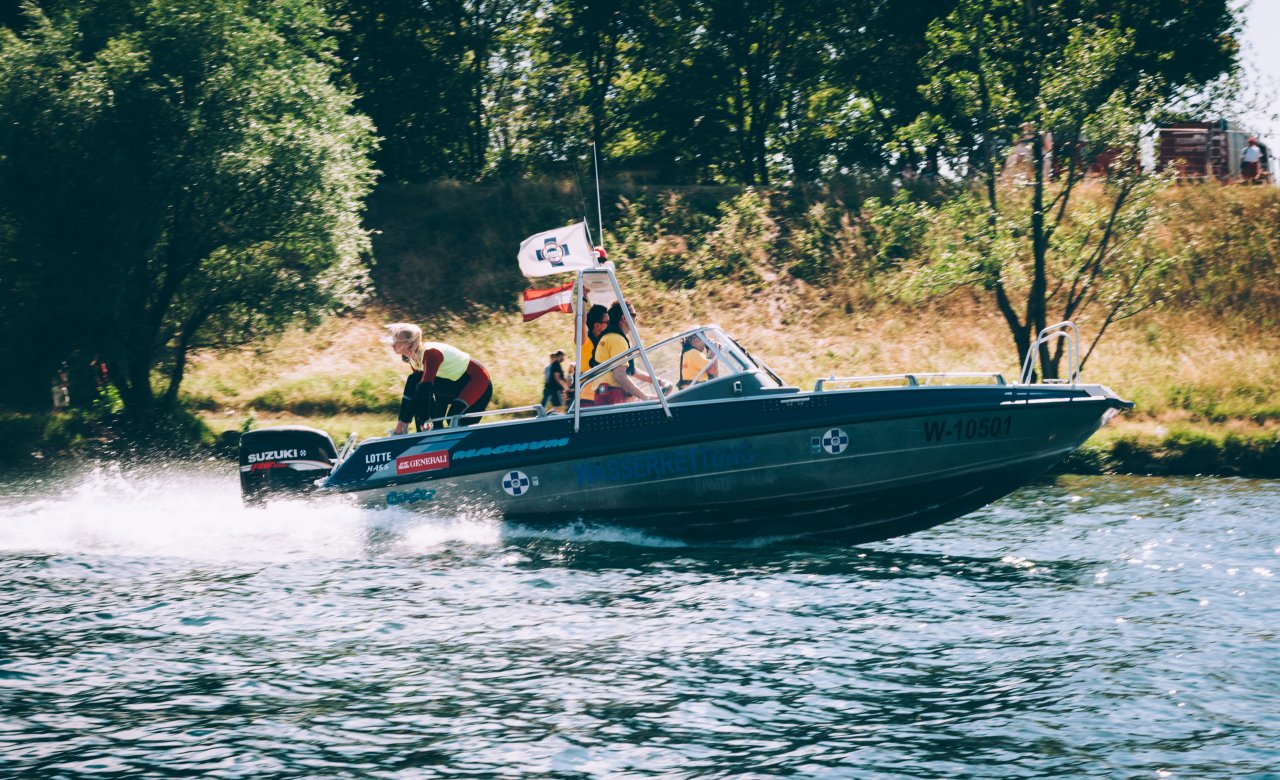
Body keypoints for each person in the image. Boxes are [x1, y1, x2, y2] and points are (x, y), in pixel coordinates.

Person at [384, 323, 493, 434]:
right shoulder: (413, 358)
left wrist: (424, 420)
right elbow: (417, 392)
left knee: (453, 417)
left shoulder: (431, 354)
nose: (392, 344)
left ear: (407, 343)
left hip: (476, 380)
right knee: (414, 382)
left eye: (395, 341)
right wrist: (407, 420)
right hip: (453, 383)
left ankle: (417, 427)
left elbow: (425, 389)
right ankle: (409, 429)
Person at [586, 302, 669, 405]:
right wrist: (645, 397)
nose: (636, 319)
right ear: (625, 318)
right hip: (612, 394)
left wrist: (660, 381)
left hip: (604, 393)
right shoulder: (618, 340)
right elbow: (620, 375)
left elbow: (631, 370)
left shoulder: (608, 337)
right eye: (634, 315)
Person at [576, 304, 609, 407]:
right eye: (607, 322)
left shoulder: (602, 342)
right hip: (588, 399)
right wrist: (583, 299)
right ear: (598, 325)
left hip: (601, 396)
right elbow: (580, 323)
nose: (610, 325)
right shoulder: (585, 343)